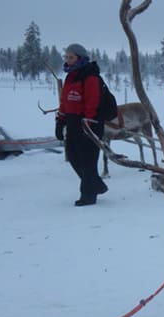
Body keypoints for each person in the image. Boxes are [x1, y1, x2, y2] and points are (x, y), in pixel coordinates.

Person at [55, 43, 108, 206]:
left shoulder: (90, 76)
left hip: (89, 123)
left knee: (88, 161)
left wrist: (88, 126)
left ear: (80, 58)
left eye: (71, 57)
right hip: (72, 122)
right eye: (66, 57)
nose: (68, 60)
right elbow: (65, 101)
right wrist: (60, 120)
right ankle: (96, 185)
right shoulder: (70, 76)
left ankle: (88, 195)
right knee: (73, 156)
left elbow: (92, 103)